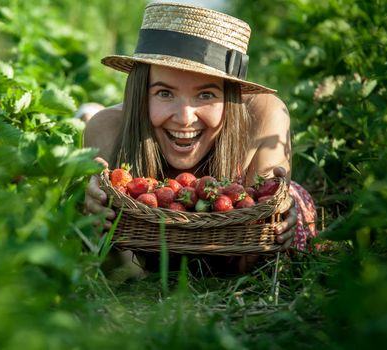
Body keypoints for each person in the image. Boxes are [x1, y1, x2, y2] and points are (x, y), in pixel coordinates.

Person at [83, 3, 318, 274]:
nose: (184, 118)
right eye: (164, 93)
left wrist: (277, 216)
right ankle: (85, 111)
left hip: (234, 261)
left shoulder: (263, 115)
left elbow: (257, 245)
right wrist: (96, 213)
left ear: (229, 98)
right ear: (140, 92)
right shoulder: (108, 129)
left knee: (293, 198)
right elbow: (121, 268)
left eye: (206, 95)